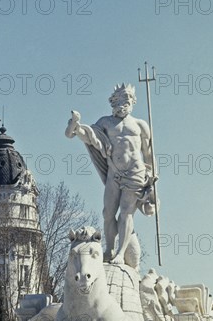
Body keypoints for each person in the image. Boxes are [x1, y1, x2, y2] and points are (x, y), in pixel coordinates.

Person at [65, 83, 157, 265]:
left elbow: (148, 153)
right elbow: (89, 135)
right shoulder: (105, 122)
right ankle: (110, 249)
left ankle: (121, 254)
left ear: (132, 101)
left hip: (135, 173)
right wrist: (76, 125)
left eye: (126, 100)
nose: (122, 104)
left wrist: (153, 178)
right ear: (113, 103)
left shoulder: (141, 125)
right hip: (114, 173)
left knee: (126, 212)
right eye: (118, 101)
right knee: (108, 213)